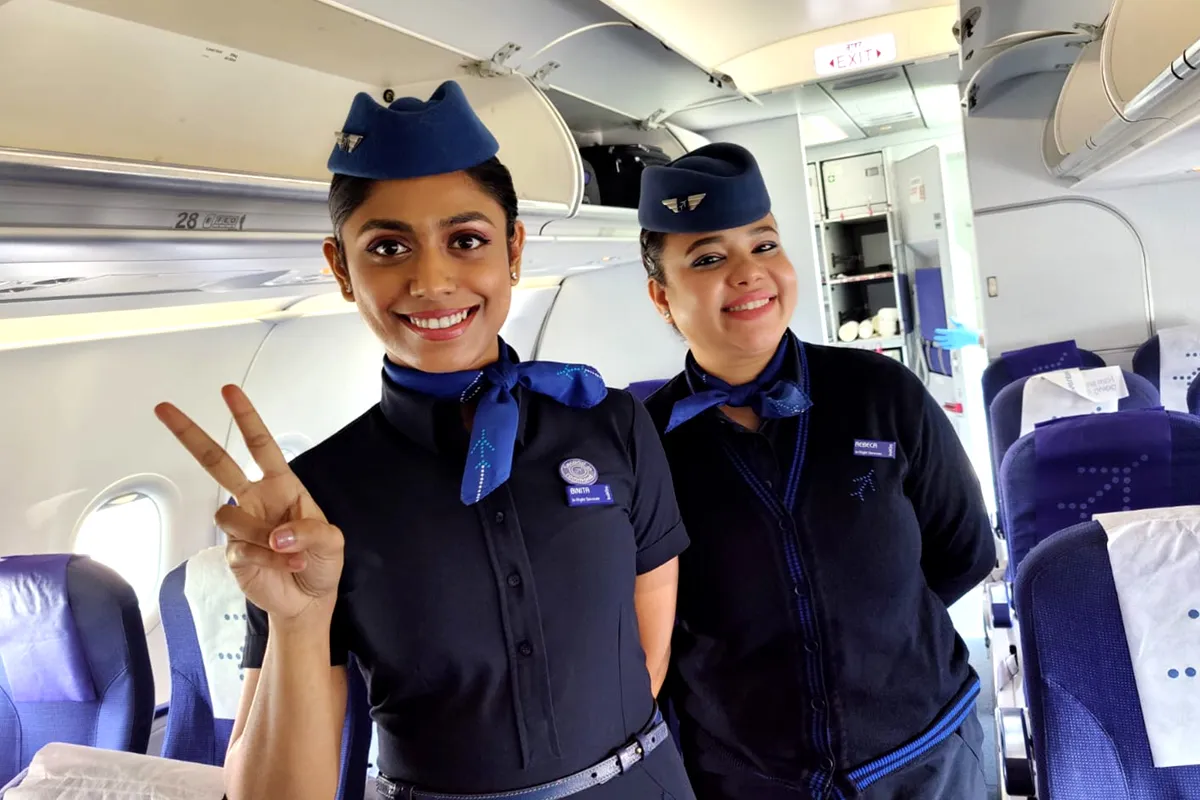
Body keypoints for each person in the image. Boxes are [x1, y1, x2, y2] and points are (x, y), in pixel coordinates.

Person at [155, 81, 695, 800]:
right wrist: (298, 620)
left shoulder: (613, 425)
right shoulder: (311, 501)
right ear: (341, 270)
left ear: (513, 250)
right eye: (388, 247)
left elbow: (648, 658)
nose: (432, 280)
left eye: (466, 241)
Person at [634, 143, 996, 799]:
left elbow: (964, 549)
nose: (749, 273)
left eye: (764, 245)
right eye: (709, 258)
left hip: (925, 757)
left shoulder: (881, 392)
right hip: (752, 779)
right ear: (662, 296)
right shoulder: (645, 441)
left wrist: (871, 635)